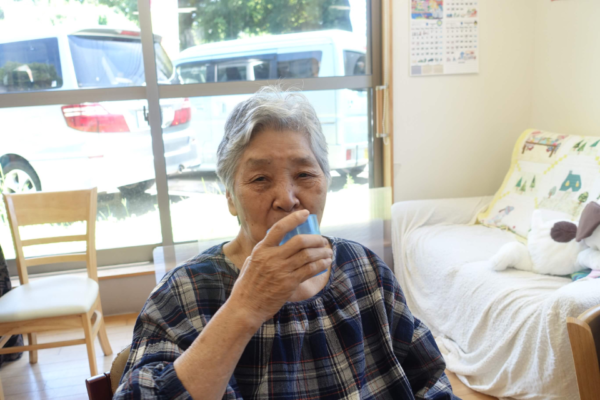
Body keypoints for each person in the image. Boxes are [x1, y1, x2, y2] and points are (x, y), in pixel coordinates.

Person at [114, 87, 457, 399]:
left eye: (305, 174)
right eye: (260, 178)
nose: (287, 198)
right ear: (231, 198)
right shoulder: (184, 293)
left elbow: (428, 376)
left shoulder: (363, 269)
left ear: (326, 182)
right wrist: (244, 308)